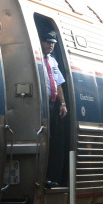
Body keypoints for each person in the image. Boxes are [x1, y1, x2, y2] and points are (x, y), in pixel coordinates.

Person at [40, 30, 68, 187]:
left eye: (52, 43)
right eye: (47, 42)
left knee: (52, 138)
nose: (50, 45)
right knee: (44, 137)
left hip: (52, 104)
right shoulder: (36, 58)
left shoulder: (53, 61)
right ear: (41, 42)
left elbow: (58, 83)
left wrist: (62, 103)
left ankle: (50, 176)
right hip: (41, 103)